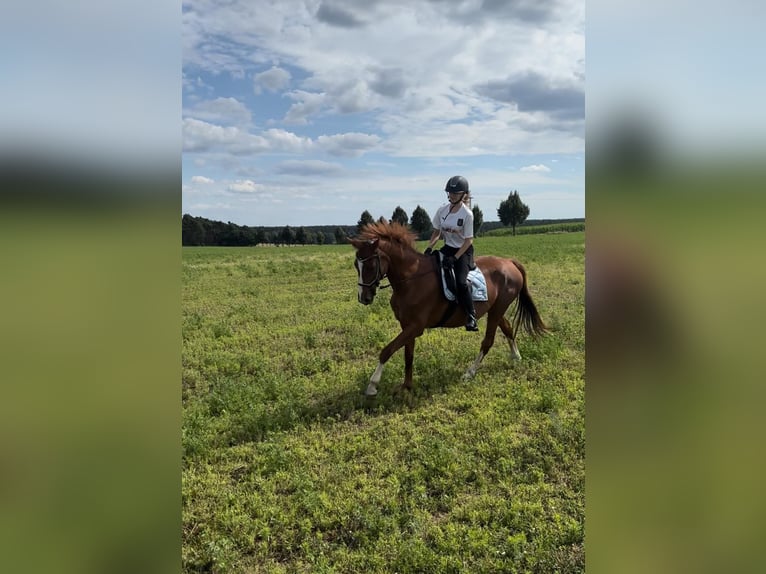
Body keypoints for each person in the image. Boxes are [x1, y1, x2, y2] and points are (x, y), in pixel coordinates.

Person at [424, 175, 478, 331]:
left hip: (463, 250)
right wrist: (429, 247)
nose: (452, 195)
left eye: (455, 193)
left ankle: (471, 315)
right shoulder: (442, 210)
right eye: (450, 193)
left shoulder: (467, 214)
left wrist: (455, 258)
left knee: (460, 282)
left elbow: (469, 241)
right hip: (447, 247)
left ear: (463, 194)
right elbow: (436, 233)